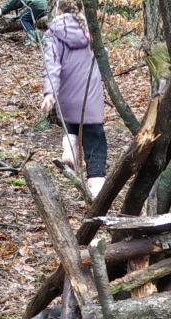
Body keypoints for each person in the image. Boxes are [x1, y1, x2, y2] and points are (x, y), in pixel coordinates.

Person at [39, 0, 105, 197]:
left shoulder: (52, 32)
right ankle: (96, 187)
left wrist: (49, 92)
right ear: (82, 7)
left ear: (58, 9)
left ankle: (69, 148)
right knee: (95, 139)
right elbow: (102, 55)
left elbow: (51, 64)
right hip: (90, 91)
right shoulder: (90, 28)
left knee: (71, 123)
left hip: (66, 92)